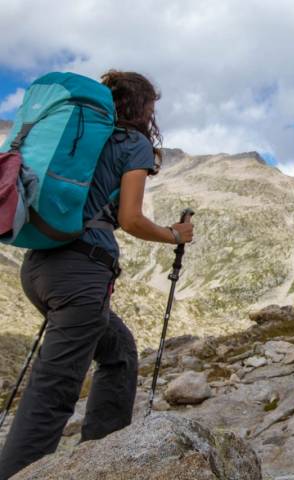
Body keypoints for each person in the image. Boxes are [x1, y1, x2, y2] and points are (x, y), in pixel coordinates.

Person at [0, 71, 194, 479]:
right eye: (151, 109)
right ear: (141, 108)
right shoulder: (133, 143)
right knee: (53, 392)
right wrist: (174, 234)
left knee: (120, 351)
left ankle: (101, 459)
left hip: (40, 266)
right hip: (80, 273)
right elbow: (131, 218)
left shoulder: (83, 139)